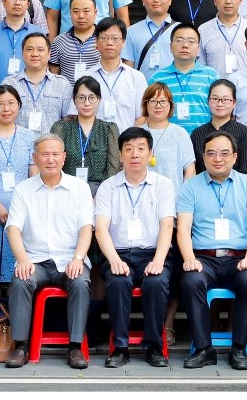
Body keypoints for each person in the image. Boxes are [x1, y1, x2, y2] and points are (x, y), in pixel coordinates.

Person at [3, 134, 95, 370]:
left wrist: (78, 258)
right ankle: (20, 346)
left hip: (70, 259)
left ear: (64, 158)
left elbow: (86, 228)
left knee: (80, 282)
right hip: (36, 261)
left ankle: (75, 347)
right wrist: (22, 259)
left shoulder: (79, 188)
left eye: (55, 154)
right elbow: (13, 228)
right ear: (35, 158)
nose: (50, 159)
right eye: (45, 154)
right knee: (21, 280)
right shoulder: (24, 189)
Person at [178, 130, 247, 370]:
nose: (218, 158)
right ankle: (204, 349)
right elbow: (183, 228)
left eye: (224, 153)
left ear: (235, 157)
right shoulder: (190, 186)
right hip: (204, 259)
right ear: (203, 157)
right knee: (191, 280)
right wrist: (189, 258)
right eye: (211, 153)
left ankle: (239, 348)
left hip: (239, 258)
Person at [94, 127, 177, 368]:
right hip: (118, 253)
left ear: (150, 153)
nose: (135, 154)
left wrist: (159, 260)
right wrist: (114, 260)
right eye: (128, 149)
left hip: (153, 253)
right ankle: (120, 348)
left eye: (141, 149)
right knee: (119, 281)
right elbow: (101, 229)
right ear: (120, 155)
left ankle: (154, 346)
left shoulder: (163, 185)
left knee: (156, 282)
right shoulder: (108, 187)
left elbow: (167, 226)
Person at [0, 85, 39, 289]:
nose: (6, 108)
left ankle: (14, 307)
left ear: (19, 106)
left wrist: (26, 205)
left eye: (11, 103)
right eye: (0, 104)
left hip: (22, 206)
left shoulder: (29, 137)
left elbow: (33, 172)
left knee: (18, 270)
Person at [51, 76, 121, 194]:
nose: (87, 103)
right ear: (74, 100)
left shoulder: (109, 129)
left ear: (99, 99)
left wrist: (101, 195)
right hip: (66, 189)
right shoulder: (61, 128)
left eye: (92, 98)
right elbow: (54, 163)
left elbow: (113, 168)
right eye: (81, 98)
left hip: (101, 190)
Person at [148, 23, 219, 134]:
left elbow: (220, 112)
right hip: (167, 138)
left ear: (198, 48)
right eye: (179, 40)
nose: (185, 45)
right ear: (170, 47)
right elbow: (149, 113)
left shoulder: (211, 76)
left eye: (191, 41)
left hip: (204, 140)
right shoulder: (157, 78)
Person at [89, 17, 148, 132]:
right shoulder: (86, 77)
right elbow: (77, 114)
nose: (109, 43)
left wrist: (129, 139)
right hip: (94, 141)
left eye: (115, 38)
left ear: (124, 42)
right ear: (96, 41)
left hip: (128, 140)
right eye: (104, 38)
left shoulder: (136, 77)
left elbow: (143, 115)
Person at [4, 32, 71, 131]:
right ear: (22, 54)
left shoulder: (62, 84)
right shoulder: (9, 84)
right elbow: (1, 120)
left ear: (49, 54)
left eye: (40, 50)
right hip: (18, 140)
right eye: (29, 49)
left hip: (52, 140)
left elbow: (68, 122)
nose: (35, 54)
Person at [190, 79, 247, 177]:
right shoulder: (197, 134)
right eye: (215, 99)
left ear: (234, 102)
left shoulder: (244, 132)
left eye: (225, 100)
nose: (219, 104)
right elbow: (194, 170)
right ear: (208, 101)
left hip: (237, 185)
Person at [139, 83, 196, 189]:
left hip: (174, 196)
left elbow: (190, 171)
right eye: (153, 101)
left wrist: (183, 196)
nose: (158, 105)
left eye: (163, 101)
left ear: (170, 104)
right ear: (145, 104)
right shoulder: (137, 133)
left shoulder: (180, 133)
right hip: (141, 196)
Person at [198, 0, 247, 78]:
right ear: (215, 0)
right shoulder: (203, 30)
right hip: (214, 85)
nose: (228, 1)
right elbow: (200, 64)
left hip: (245, 85)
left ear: (241, 0)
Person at [123, 0, 178, 77]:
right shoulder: (131, 31)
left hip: (174, 85)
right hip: (143, 86)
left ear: (170, 0)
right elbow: (128, 68)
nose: (156, 0)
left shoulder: (181, 30)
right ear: (143, 1)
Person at [49, 0, 102, 83]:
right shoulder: (59, 41)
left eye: (86, 11)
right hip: (66, 91)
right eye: (76, 11)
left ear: (95, 13)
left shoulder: (104, 40)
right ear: (70, 13)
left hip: (98, 91)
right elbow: (54, 75)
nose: (81, 16)